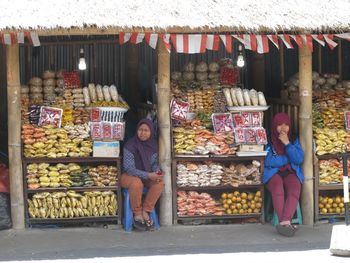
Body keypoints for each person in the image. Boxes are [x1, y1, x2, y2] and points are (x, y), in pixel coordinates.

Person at [263, 112, 304, 237]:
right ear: (274, 126)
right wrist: (287, 158)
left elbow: (298, 159)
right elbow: (268, 160)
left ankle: (285, 221)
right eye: (279, 125)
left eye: (286, 125)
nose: (283, 128)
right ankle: (284, 223)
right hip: (273, 173)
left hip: (290, 172)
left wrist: (287, 144)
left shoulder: (293, 139)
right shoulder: (268, 140)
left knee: (295, 187)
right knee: (277, 187)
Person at [121, 118, 164, 231]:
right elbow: (130, 169)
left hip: (146, 175)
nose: (143, 133)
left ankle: (146, 210)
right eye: (140, 129)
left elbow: (154, 163)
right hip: (128, 176)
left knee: (159, 183)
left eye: (146, 130)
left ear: (151, 132)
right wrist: (149, 175)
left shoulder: (153, 145)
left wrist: (157, 171)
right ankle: (137, 213)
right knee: (136, 183)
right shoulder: (130, 145)